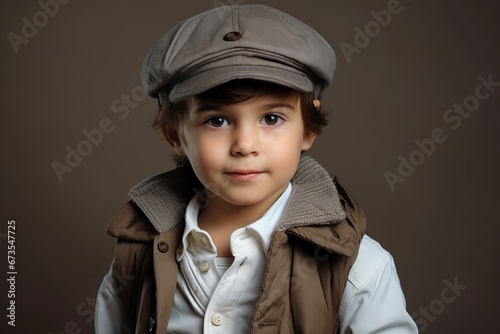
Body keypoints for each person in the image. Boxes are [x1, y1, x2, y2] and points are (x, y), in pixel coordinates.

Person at [95, 4, 418, 333]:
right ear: (175, 135)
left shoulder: (355, 266)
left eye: (272, 119)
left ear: (308, 128)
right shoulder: (138, 255)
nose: (245, 144)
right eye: (217, 120)